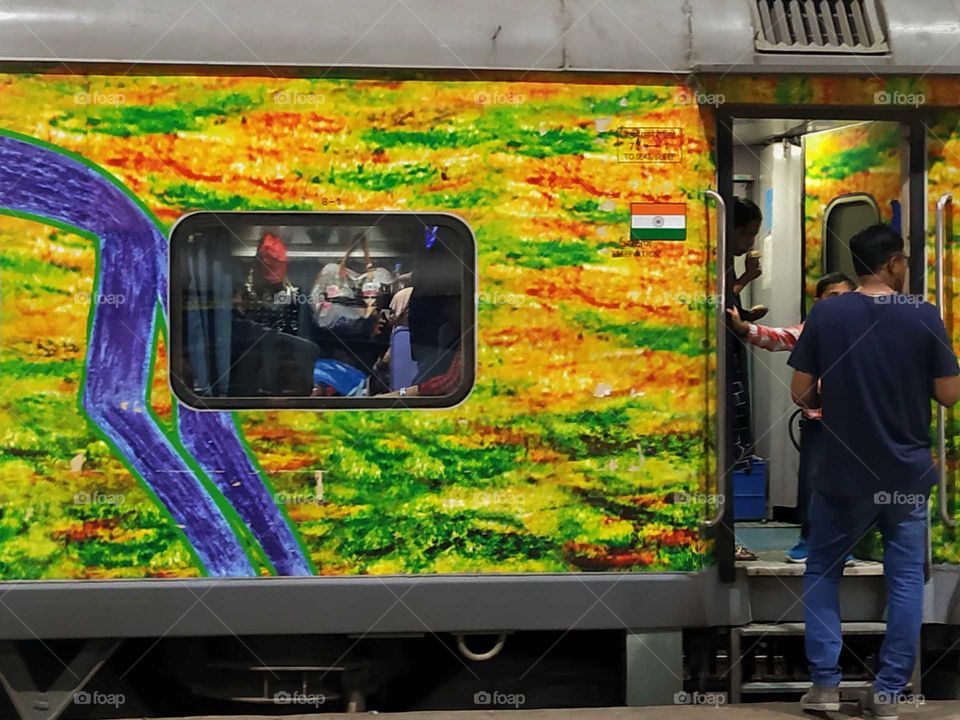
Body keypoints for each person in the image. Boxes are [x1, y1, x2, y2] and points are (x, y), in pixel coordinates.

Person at [787, 225, 960, 718]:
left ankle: (824, 686)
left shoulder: (828, 313)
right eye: (903, 260)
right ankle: (887, 693)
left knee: (824, 569)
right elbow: (949, 394)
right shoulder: (922, 315)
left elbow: (801, 393)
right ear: (892, 264)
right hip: (906, 474)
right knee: (905, 579)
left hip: (841, 470)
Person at [728, 271, 856, 563]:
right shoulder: (812, 329)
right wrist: (744, 328)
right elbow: (779, 337)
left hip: (854, 423)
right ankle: (809, 542)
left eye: (846, 297)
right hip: (819, 422)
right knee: (813, 483)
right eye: (832, 297)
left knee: (847, 485)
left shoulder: (866, 329)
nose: (840, 303)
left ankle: (841, 546)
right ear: (818, 302)